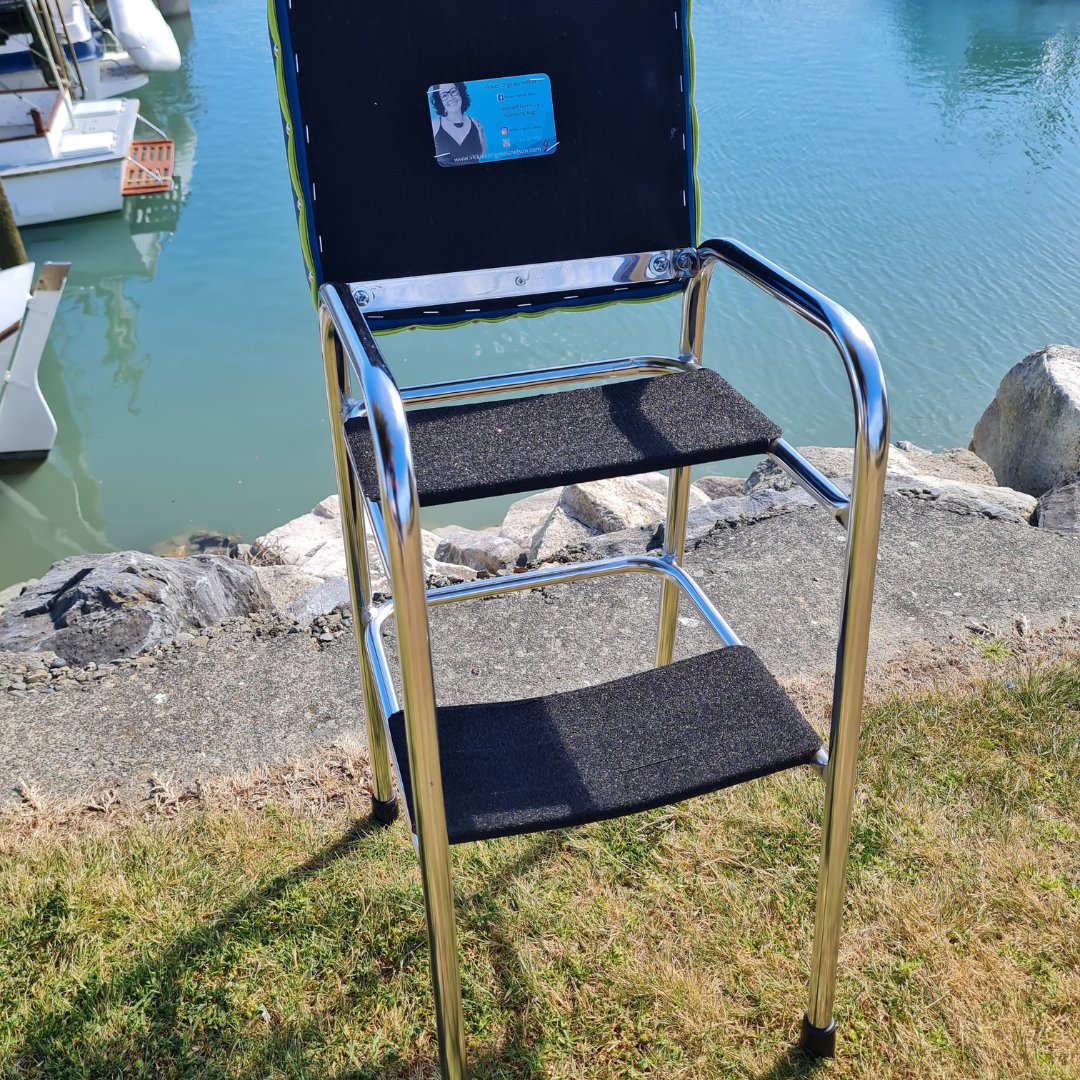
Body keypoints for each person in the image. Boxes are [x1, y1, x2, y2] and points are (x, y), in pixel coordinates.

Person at [430, 82, 486, 166]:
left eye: (453, 91)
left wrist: (481, 136)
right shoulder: (434, 126)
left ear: (460, 92)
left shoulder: (475, 123)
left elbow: (481, 153)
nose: (451, 98)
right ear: (440, 101)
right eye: (444, 95)